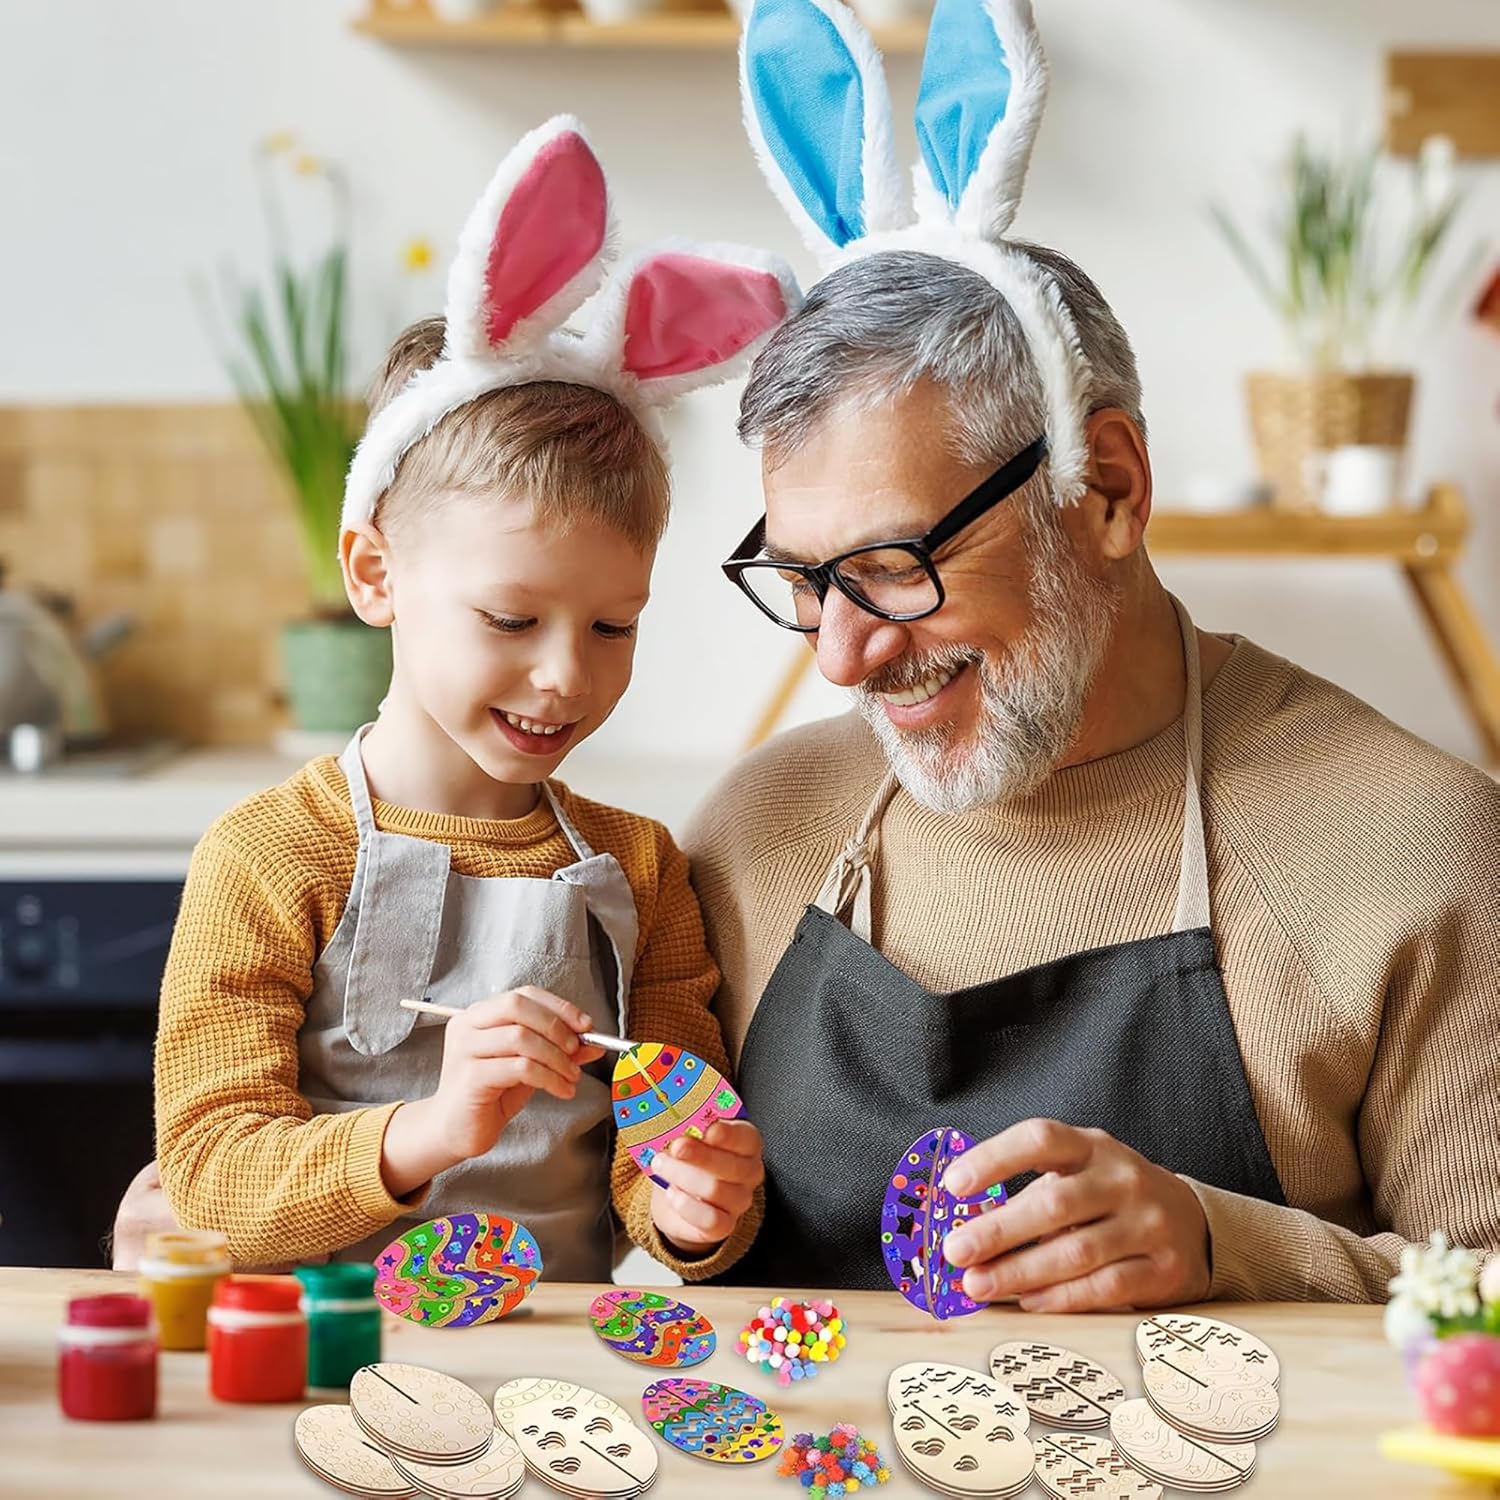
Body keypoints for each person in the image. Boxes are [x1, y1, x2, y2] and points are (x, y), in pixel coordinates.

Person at [685, 0, 1500, 1307]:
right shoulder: (750, 835)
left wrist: (1232, 1247)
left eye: (895, 567)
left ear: (1108, 488)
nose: (839, 660)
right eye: (805, 578)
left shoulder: (1422, 851)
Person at [146, 118, 797, 1278]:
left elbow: (665, 1169)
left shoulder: (643, 870)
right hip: (326, 1371)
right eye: (510, 619)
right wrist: (432, 1132)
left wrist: (696, 1210)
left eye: (615, 626)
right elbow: (210, 1179)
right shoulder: (267, 859)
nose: (567, 674)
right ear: (373, 574)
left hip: (562, 1394)